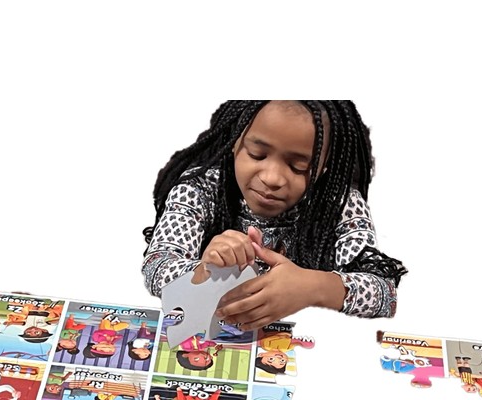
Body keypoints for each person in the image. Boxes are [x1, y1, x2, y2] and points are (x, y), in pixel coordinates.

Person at [142, 101, 407, 326]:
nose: (272, 178)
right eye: (257, 154)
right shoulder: (200, 189)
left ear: (324, 167)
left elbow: (385, 294)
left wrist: (311, 287)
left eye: (298, 167)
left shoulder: (340, 204)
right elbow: (156, 267)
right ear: (235, 142)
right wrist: (203, 273)